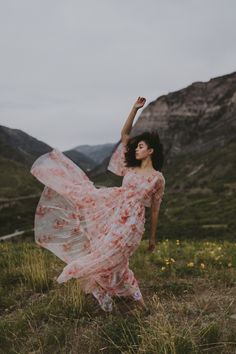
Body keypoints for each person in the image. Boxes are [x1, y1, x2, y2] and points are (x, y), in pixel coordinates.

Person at [30, 96, 165, 314]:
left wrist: (152, 238)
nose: (137, 149)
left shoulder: (157, 178)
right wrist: (134, 109)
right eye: (137, 146)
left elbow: (156, 209)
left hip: (133, 225)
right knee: (104, 255)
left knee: (115, 260)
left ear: (151, 151)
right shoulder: (130, 168)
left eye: (141, 146)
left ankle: (120, 298)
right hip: (113, 214)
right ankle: (119, 298)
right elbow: (124, 136)